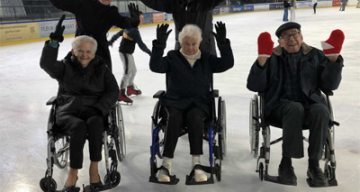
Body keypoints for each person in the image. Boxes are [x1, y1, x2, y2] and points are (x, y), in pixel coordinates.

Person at [247, 22, 344, 187]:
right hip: (279, 106)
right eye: (286, 36)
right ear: (280, 42)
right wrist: (262, 61)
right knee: (294, 108)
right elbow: (255, 86)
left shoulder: (315, 55)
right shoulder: (272, 58)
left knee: (321, 110)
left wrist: (334, 61)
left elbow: (329, 86)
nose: (292, 38)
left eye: (295, 33)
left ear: (301, 36)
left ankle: (314, 166)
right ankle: (286, 165)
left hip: (310, 105)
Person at [40, 16, 119, 192]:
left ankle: (94, 169)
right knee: (78, 127)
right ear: (73, 50)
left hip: (94, 109)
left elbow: (113, 91)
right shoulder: (64, 67)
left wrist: (100, 108)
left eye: (88, 51)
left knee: (95, 122)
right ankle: (73, 173)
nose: (84, 54)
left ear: (94, 53)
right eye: (80, 50)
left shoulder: (102, 69)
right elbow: (46, 64)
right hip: (69, 110)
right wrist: (53, 44)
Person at [149, 22, 233, 184]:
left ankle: (197, 165)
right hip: (175, 102)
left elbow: (227, 63)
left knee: (195, 117)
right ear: (181, 43)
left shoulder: (207, 59)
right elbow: (155, 66)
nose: (190, 47)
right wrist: (159, 46)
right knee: (174, 117)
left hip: (199, 104)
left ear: (199, 43)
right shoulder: (173, 58)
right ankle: (166, 165)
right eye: (187, 44)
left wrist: (223, 44)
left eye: (194, 44)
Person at [49, 0, 141, 70]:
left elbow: (124, 22)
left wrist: (134, 21)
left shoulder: (111, 12)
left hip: (100, 52)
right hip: (81, 50)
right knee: (76, 80)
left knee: (104, 82)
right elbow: (61, 2)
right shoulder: (84, 4)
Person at [140, 0, 224, 55]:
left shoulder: (205, 3)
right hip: (182, 52)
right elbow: (154, 2)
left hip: (205, 50)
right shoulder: (176, 3)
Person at [108, 13, 151, 104]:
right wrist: (150, 53)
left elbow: (118, 34)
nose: (142, 20)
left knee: (133, 70)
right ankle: (121, 93)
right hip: (125, 53)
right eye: (141, 18)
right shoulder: (134, 31)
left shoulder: (128, 28)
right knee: (127, 72)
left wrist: (111, 41)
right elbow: (141, 45)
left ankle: (130, 88)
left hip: (128, 53)